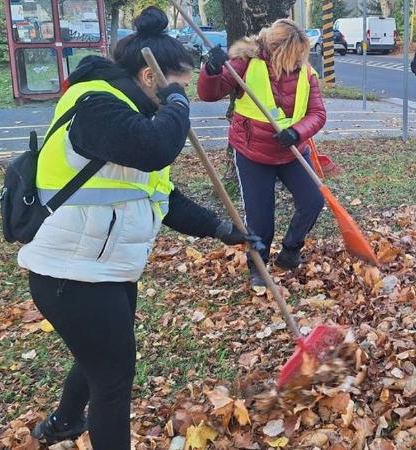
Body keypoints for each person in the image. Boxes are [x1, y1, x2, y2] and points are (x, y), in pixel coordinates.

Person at [20, 7, 262, 449]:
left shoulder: (130, 117)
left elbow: (163, 197)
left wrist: (223, 229)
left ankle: (63, 422)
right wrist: (178, 104)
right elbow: (156, 148)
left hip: (104, 269)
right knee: (113, 378)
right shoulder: (94, 105)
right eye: (177, 85)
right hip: (69, 276)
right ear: (151, 77)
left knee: (98, 357)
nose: (181, 96)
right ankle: (69, 423)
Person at [198, 19, 326, 292]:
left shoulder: (306, 72)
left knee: (313, 201)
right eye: (294, 55)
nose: (299, 60)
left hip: (291, 151)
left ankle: (290, 250)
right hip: (252, 152)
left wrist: (297, 132)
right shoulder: (246, 63)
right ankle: (258, 266)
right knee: (260, 217)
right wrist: (211, 70)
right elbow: (210, 94)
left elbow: (317, 113)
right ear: (277, 51)